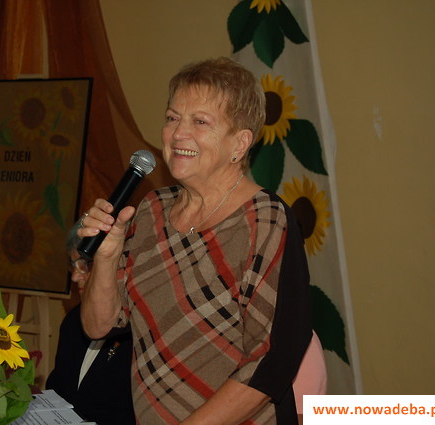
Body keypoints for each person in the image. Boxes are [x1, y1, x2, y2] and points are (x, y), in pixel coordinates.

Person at [78, 57, 313, 425]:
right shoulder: (151, 210)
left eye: (200, 122)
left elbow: (270, 363)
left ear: (240, 143)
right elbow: (98, 327)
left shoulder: (266, 220)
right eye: (172, 118)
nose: (178, 134)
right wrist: (106, 257)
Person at [45, 222, 136, 425]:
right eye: (73, 265)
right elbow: (58, 389)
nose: (75, 276)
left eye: (86, 264)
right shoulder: (72, 320)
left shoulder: (142, 328)